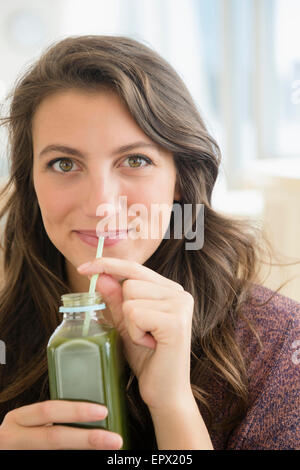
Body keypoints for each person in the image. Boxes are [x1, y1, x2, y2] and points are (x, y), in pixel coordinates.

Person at [0, 35, 299, 450]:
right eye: (64, 163)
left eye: (135, 161)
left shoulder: (280, 346)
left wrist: (173, 406)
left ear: (180, 178)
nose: (101, 204)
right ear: (31, 182)